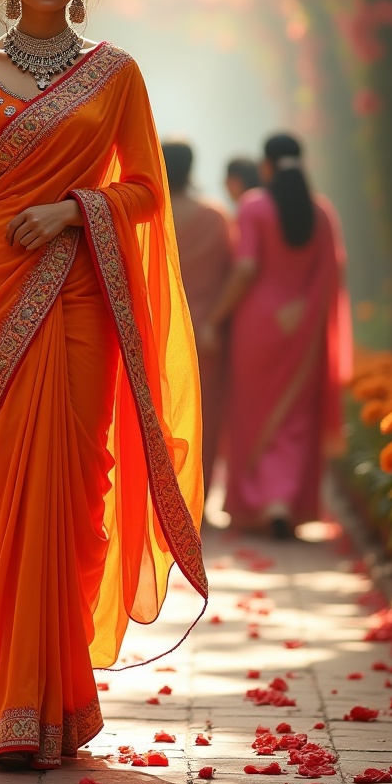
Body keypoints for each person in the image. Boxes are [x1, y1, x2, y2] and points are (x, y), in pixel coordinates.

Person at [0, 0, 207, 771]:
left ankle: (56, 698)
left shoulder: (115, 74)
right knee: (4, 504)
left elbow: (148, 192)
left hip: (82, 300)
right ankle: (6, 705)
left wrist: (73, 212)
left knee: (76, 494)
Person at [206, 133, 351, 540]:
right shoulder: (322, 213)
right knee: (295, 417)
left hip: (256, 327)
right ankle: (283, 500)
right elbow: (334, 273)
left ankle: (256, 502)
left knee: (252, 414)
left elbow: (247, 268)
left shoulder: (254, 206)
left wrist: (216, 317)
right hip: (302, 326)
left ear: (267, 165)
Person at [161, 140, 234, 519]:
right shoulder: (215, 216)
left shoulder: (151, 213)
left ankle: (158, 501)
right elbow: (232, 272)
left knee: (161, 412)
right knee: (205, 414)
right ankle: (196, 504)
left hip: (158, 326)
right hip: (204, 329)